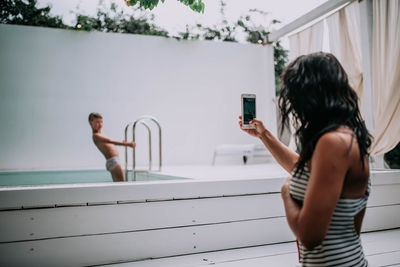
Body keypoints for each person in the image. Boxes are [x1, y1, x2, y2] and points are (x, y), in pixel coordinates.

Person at [239, 52, 372, 266]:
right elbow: (305, 170)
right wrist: (264, 135)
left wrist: (286, 194)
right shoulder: (348, 136)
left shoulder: (333, 143)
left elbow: (309, 236)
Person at [88, 112, 136, 182]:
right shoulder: (96, 136)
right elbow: (110, 141)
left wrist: (124, 143)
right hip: (113, 161)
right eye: (97, 122)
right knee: (121, 184)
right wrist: (128, 144)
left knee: (118, 184)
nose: (100, 124)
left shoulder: (100, 134)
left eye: (101, 122)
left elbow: (109, 145)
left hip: (113, 160)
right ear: (91, 123)